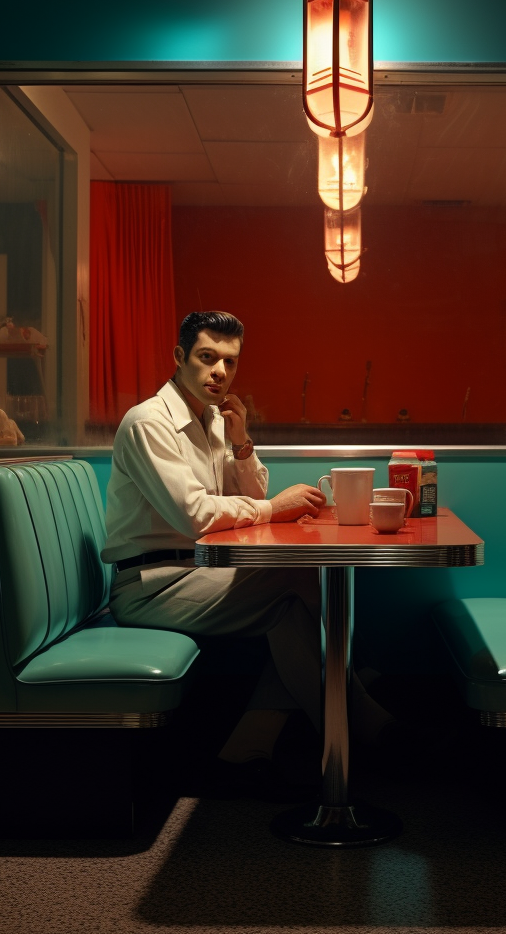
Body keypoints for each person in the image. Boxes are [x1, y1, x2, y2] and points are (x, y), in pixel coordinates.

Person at [101, 310, 393, 790]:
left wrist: (241, 444)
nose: (220, 372)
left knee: (290, 609)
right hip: (148, 585)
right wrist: (274, 508)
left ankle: (255, 745)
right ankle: (362, 715)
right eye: (207, 357)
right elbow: (195, 516)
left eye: (230, 363)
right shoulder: (148, 423)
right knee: (300, 578)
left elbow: (251, 495)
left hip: (196, 573)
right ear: (179, 358)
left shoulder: (214, 420)